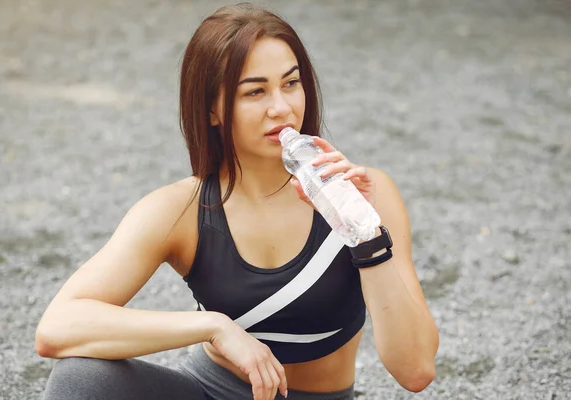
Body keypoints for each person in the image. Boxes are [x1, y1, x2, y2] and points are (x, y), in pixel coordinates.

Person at [35, 3, 439, 400]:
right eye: (255, 91)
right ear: (211, 108)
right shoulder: (180, 211)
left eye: (291, 83)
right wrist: (213, 327)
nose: (281, 108)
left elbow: (416, 370)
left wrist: (365, 233)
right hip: (208, 389)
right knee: (82, 378)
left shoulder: (363, 191)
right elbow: (57, 327)